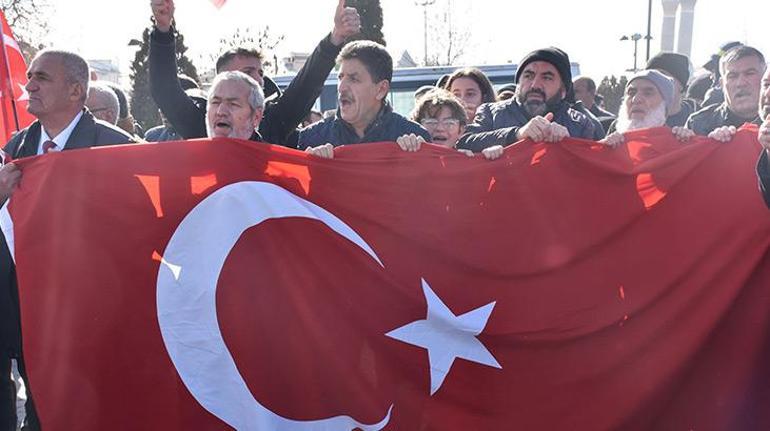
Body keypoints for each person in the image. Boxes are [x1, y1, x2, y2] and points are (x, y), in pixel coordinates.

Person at [0, 49, 136, 431]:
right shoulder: (14, 150)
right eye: (29, 76)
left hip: (91, 315)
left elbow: (140, 228)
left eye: (41, 77)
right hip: (25, 313)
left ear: (76, 90)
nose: (29, 86)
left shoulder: (118, 147)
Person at [149, 0, 360, 147]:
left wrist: (335, 37)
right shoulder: (198, 124)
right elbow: (164, 90)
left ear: (257, 116)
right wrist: (163, 29)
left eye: (260, 72)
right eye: (247, 72)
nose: (258, 79)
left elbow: (305, 87)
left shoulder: (273, 125)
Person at [298, 40, 430, 158]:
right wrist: (311, 167)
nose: (341, 87)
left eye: (353, 79)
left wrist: (417, 157)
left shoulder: (414, 138)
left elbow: (428, 183)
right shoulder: (312, 139)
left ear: (381, 90)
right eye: (340, 78)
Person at [456, 47, 596, 152]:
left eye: (547, 77)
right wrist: (516, 134)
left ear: (564, 90)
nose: (535, 85)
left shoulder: (580, 124)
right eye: (528, 75)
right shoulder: (490, 113)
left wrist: (569, 144)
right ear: (518, 83)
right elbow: (463, 142)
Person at [601, 70, 694, 148]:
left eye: (648, 93)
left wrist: (689, 144)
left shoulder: (678, 141)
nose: (636, 99)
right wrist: (603, 149)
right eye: (631, 93)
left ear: (664, 105)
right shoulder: (613, 140)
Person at [686, 45, 765, 136]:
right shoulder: (698, 124)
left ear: (765, 79)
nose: (740, 83)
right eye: (732, 76)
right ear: (722, 84)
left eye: (750, 74)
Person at [205, 71, 264, 140]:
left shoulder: (266, 151)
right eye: (215, 102)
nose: (220, 112)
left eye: (233, 104)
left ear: (256, 117)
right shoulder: (193, 150)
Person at [646, 52, 696, 127]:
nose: (655, 82)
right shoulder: (639, 117)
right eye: (651, 77)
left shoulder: (700, 121)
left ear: (681, 85)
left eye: (663, 76)